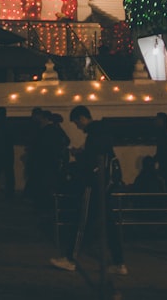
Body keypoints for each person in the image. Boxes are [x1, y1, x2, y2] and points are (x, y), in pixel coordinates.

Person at [50, 105, 127, 276]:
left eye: (77, 123)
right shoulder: (103, 133)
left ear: (82, 118)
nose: (78, 127)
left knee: (81, 222)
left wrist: (78, 156)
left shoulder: (94, 135)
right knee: (109, 224)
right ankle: (119, 262)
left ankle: (71, 258)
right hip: (105, 184)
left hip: (94, 184)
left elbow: (90, 161)